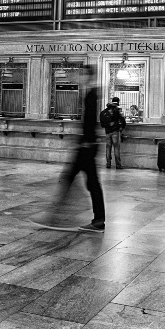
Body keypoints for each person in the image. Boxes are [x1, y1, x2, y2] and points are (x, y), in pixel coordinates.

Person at [33, 65, 105, 233]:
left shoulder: (91, 95)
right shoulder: (92, 93)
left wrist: (85, 142)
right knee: (90, 183)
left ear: (88, 76)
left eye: (82, 74)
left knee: (68, 178)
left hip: (86, 147)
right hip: (88, 145)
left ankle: (55, 216)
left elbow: (89, 122)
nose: (79, 78)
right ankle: (98, 220)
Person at [100, 96, 126, 169]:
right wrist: (122, 127)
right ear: (118, 102)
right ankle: (118, 165)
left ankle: (108, 163)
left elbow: (102, 124)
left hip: (107, 132)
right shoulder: (117, 109)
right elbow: (122, 119)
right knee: (116, 148)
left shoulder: (105, 111)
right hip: (115, 131)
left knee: (108, 148)